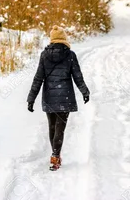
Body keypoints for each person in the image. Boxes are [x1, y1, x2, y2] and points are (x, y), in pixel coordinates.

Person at [27, 25, 90, 171]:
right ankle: (55, 157)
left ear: (52, 39)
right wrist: (85, 92)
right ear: (64, 38)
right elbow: (77, 76)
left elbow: (38, 78)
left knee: (52, 126)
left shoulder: (44, 55)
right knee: (60, 129)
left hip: (49, 96)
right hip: (65, 97)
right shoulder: (70, 55)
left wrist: (31, 99)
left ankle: (55, 156)